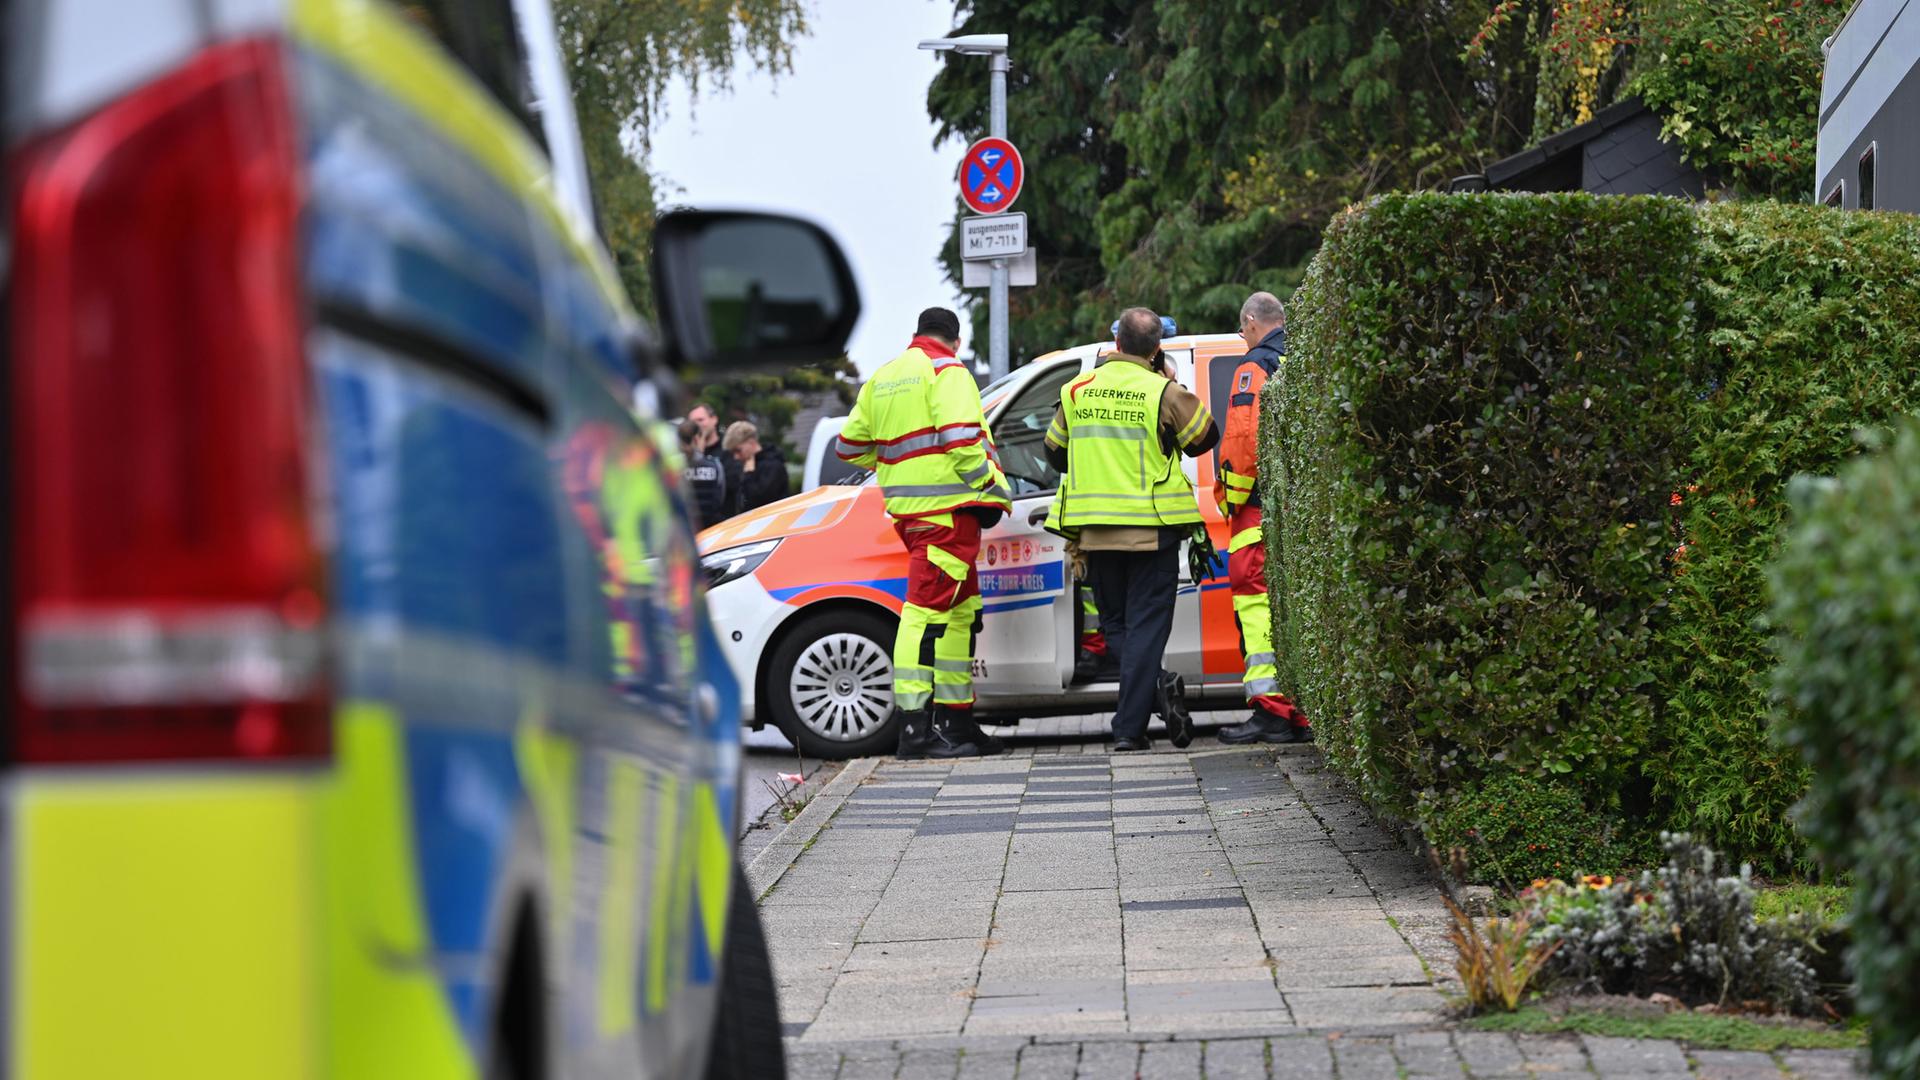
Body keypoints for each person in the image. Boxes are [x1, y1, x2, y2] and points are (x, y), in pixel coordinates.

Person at [835, 307, 1012, 759]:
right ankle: (915, 731)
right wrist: (987, 485)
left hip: (913, 517)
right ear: (956, 340)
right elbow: (961, 438)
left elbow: (848, 446)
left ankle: (957, 721)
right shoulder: (946, 370)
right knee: (923, 615)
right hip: (948, 514)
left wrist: (895, 464)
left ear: (917, 333)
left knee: (959, 613)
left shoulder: (883, 377)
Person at [1044, 307, 1218, 751]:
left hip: (1096, 533)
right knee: (1146, 628)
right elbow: (1205, 438)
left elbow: (1054, 453)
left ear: (1116, 343)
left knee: (1117, 626)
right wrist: (1170, 389)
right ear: (1156, 349)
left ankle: (1144, 705)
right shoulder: (1162, 391)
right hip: (1152, 531)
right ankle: (1131, 725)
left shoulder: (1075, 390)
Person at [1213, 292, 1313, 744]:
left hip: (1258, 510)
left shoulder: (1254, 366)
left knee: (1255, 603)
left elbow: (1242, 439)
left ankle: (1272, 710)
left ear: (1252, 321)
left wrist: (1231, 498)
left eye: (1242, 330)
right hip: (1301, 505)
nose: (1242, 337)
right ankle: (1302, 711)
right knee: (1297, 608)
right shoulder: (1303, 358)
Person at [721, 420, 790, 516]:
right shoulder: (745, 464)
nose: (736, 457)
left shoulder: (772, 465)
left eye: (738, 450)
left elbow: (758, 500)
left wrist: (749, 474)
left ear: (751, 442)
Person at [678, 418, 727, 528]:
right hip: (712, 529)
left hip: (685, 530)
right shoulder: (714, 465)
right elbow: (720, 497)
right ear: (696, 439)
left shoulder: (672, 467)